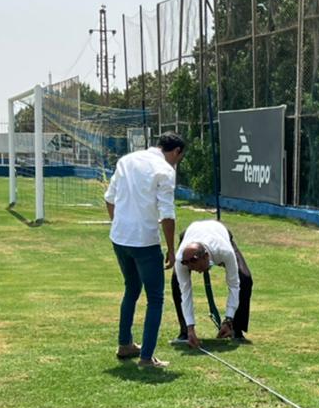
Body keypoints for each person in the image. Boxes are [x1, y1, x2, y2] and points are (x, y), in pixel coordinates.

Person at [104, 133, 186, 368]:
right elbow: (167, 215)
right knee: (155, 298)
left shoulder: (127, 160)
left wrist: (120, 225)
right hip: (144, 241)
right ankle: (146, 357)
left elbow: (109, 199)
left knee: (131, 289)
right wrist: (171, 249)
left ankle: (125, 344)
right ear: (176, 151)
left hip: (120, 238)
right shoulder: (165, 170)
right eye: (179, 158)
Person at [171, 218, 253, 348]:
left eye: (198, 267)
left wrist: (228, 319)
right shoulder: (181, 259)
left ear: (206, 257)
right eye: (191, 268)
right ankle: (185, 332)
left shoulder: (224, 251)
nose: (197, 271)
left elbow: (234, 285)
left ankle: (235, 329)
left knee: (245, 279)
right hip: (191, 232)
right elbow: (185, 292)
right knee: (177, 282)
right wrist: (190, 327)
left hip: (219, 232)